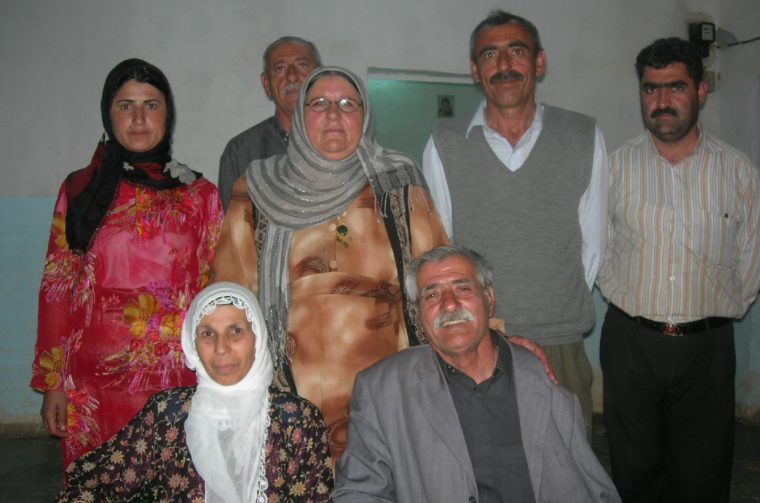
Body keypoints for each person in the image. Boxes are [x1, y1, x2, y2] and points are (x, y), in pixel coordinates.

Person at [214, 66, 448, 457]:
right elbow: (231, 297)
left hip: (389, 388)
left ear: (365, 115)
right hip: (289, 393)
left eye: (348, 104)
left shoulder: (398, 183)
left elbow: (437, 280)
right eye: (320, 103)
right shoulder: (256, 189)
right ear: (300, 115)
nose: (335, 114)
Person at [422, 9, 608, 438]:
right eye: (490, 55)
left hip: (559, 342)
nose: (504, 65)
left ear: (539, 62)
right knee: (479, 458)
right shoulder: (445, 143)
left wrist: (550, 307)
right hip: (476, 338)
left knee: (564, 459)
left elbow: (594, 243)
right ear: (475, 70)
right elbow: (440, 249)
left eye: (516, 51)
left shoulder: (582, 135)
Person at [597, 37, 760, 503]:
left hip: (706, 349)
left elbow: (755, 259)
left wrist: (715, 310)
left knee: (703, 472)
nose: (662, 101)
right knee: (633, 470)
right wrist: (627, 299)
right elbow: (597, 249)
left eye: (675, 87)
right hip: (631, 343)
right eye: (651, 89)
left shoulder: (738, 172)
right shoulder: (614, 169)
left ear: (701, 91)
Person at [31, 58, 223, 470]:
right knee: (98, 484)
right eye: (125, 105)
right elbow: (57, 287)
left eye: (151, 105)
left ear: (168, 114)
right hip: (93, 387)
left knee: (174, 485)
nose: (138, 118)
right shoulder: (81, 190)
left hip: (178, 381)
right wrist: (53, 384)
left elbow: (217, 289)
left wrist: (221, 375)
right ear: (108, 113)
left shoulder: (199, 194)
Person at [333, 245, 620, 502]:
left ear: (489, 299)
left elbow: (594, 488)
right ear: (418, 315)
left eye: (463, 289)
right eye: (432, 295)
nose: (449, 304)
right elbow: (359, 492)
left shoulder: (540, 378)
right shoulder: (383, 391)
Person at [56, 282, 333, 502]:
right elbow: (93, 484)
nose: (221, 348)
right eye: (207, 334)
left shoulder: (297, 419)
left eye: (236, 330)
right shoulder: (168, 414)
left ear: (257, 338)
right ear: (192, 343)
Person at [218, 36, 321, 209]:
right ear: (267, 84)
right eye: (280, 68)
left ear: (319, 77)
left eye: (302, 65)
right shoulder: (240, 152)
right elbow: (233, 224)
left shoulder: (347, 146)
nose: (292, 76)